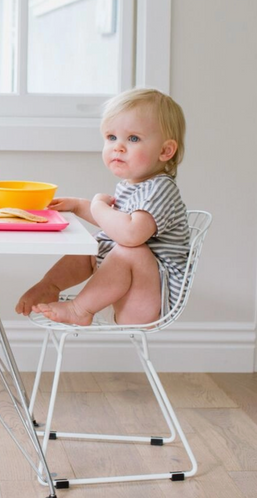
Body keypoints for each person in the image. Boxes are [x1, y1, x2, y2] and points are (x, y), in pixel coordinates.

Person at [15, 88, 190, 326]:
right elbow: (116, 223)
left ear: (165, 151)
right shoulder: (136, 186)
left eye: (133, 138)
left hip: (151, 302)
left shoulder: (160, 189)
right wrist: (79, 206)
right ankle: (50, 285)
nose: (118, 147)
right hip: (126, 291)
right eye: (111, 137)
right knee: (97, 244)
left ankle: (79, 309)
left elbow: (130, 233)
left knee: (131, 249)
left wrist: (97, 205)